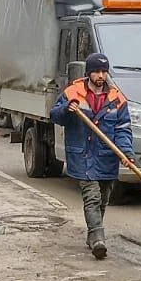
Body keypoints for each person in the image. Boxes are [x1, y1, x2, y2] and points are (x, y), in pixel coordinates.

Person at [51, 53, 134, 259]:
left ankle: (93, 234)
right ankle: (98, 239)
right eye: (96, 71)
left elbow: (123, 129)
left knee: (103, 199)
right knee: (92, 197)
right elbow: (55, 115)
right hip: (83, 155)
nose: (100, 76)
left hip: (106, 157)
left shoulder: (117, 99)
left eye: (104, 72)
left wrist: (126, 153)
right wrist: (67, 109)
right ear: (88, 73)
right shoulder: (73, 92)